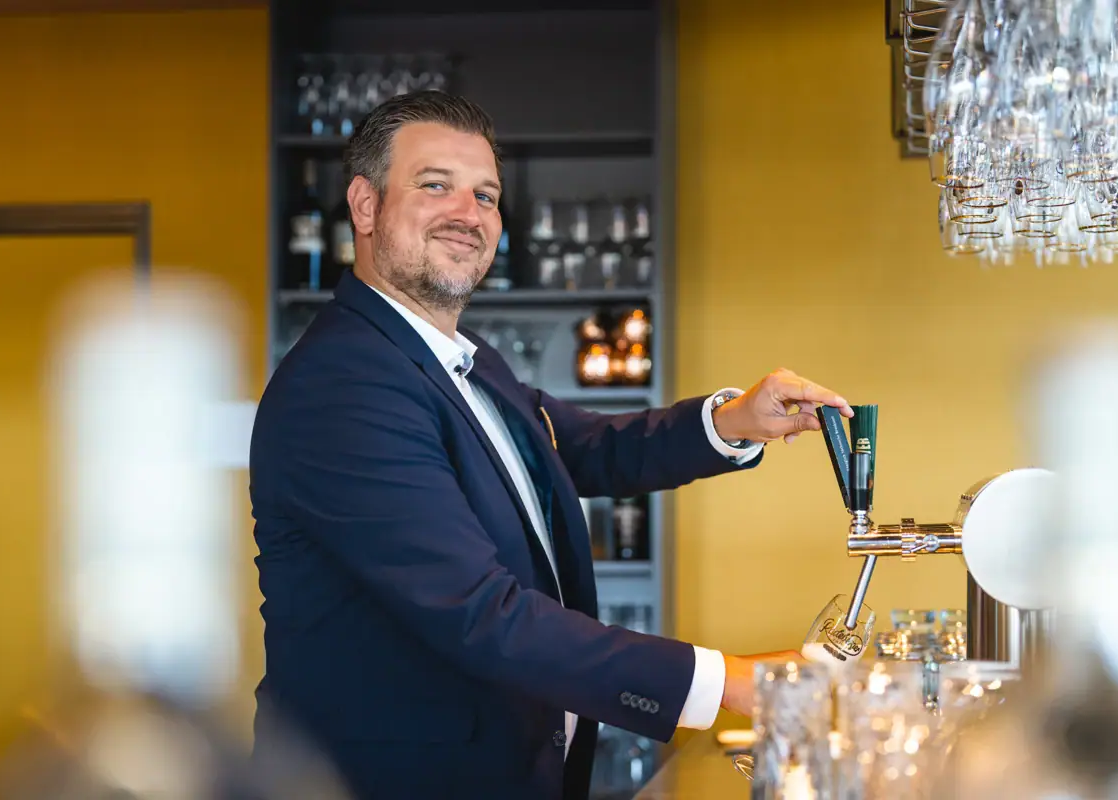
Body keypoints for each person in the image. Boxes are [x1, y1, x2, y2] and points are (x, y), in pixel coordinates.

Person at [248, 90, 853, 800]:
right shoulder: (344, 385)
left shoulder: (460, 357)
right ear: (365, 205)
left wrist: (733, 422)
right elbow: (481, 614)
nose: (467, 215)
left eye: (485, 195)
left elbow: (583, 447)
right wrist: (729, 681)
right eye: (435, 185)